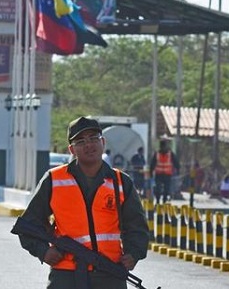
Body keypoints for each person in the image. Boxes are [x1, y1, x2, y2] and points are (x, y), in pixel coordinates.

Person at [14, 116, 149, 289]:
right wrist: (43, 251)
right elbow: (28, 224)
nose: (88, 144)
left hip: (110, 272)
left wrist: (133, 253)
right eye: (80, 141)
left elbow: (136, 226)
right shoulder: (54, 179)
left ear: (103, 142)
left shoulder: (121, 182)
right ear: (71, 149)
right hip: (66, 275)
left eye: (94, 138)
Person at [149, 137, 179, 205]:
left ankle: (164, 201)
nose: (163, 148)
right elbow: (152, 163)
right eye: (162, 146)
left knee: (166, 189)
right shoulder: (157, 154)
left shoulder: (170, 154)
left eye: (164, 146)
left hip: (167, 174)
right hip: (159, 174)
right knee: (158, 189)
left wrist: (177, 170)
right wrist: (151, 172)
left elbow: (176, 163)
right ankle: (158, 201)